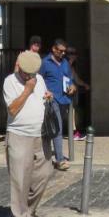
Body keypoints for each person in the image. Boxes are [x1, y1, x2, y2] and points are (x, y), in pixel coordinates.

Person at [3, 50, 56, 217]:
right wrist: (27, 89)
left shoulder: (39, 79)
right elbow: (13, 109)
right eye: (27, 73)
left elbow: (41, 97)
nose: (30, 76)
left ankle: (29, 209)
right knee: (20, 177)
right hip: (19, 134)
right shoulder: (10, 81)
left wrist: (47, 96)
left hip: (40, 135)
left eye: (32, 73)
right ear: (19, 68)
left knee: (45, 173)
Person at [40, 39, 77, 169]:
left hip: (64, 99)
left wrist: (72, 87)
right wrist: (46, 92)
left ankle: (47, 155)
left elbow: (70, 80)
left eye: (64, 52)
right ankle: (59, 160)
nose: (62, 53)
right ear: (53, 49)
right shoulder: (45, 63)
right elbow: (38, 80)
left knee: (53, 129)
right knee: (58, 128)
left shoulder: (65, 63)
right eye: (60, 51)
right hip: (51, 100)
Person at [66, 46, 91, 140]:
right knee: (72, 113)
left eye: (75, 53)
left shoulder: (70, 66)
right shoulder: (66, 65)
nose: (75, 55)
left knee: (73, 113)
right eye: (72, 53)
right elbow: (75, 79)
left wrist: (84, 85)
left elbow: (76, 78)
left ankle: (75, 132)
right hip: (66, 93)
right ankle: (73, 133)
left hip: (70, 93)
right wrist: (85, 85)